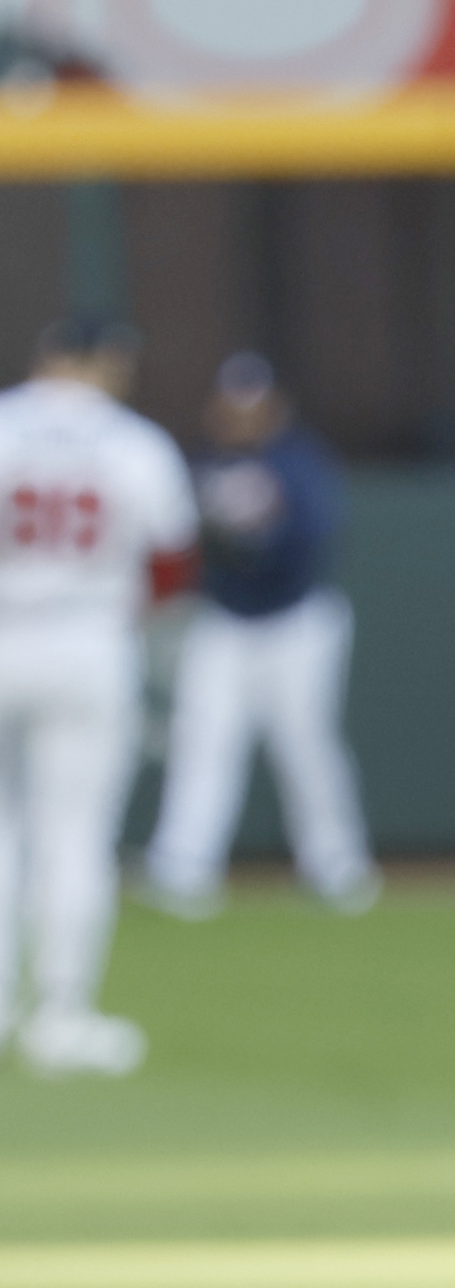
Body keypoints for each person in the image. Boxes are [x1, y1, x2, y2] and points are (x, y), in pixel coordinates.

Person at [0, 317, 198, 1077]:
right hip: (86, 637)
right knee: (74, 838)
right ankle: (60, 1015)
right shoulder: (133, 443)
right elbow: (174, 565)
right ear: (105, 365)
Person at [142, 356, 376, 923]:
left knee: (305, 743)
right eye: (232, 403)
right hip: (223, 621)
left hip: (296, 619)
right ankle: (182, 867)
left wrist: (243, 544)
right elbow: (175, 534)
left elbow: (308, 538)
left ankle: (338, 866)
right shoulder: (201, 459)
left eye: (252, 403)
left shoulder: (299, 460)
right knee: (204, 741)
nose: (241, 415)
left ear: (273, 406)